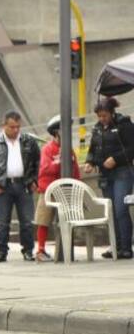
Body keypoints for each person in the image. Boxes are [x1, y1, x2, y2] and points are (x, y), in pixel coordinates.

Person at [0, 110, 41, 263]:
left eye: (18, 127)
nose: (15, 130)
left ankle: (28, 251)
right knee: (2, 222)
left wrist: (34, 181)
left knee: (27, 221)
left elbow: (38, 163)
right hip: (3, 186)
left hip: (24, 185)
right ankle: (2, 252)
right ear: (4, 126)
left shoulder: (28, 141)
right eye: (12, 127)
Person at [84, 97, 134, 259]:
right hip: (105, 174)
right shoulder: (97, 128)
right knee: (111, 211)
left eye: (104, 115)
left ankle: (126, 247)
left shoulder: (124, 125)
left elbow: (131, 148)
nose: (102, 119)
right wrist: (90, 162)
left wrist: (116, 159)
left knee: (120, 209)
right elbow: (93, 148)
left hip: (122, 172)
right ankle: (115, 246)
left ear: (112, 113)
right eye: (99, 116)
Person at [34, 116, 79, 262]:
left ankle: (65, 251)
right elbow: (45, 169)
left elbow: (75, 169)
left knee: (67, 220)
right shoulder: (47, 149)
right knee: (43, 219)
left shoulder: (69, 150)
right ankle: (40, 250)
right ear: (56, 132)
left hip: (66, 190)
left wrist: (76, 185)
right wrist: (59, 162)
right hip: (48, 190)